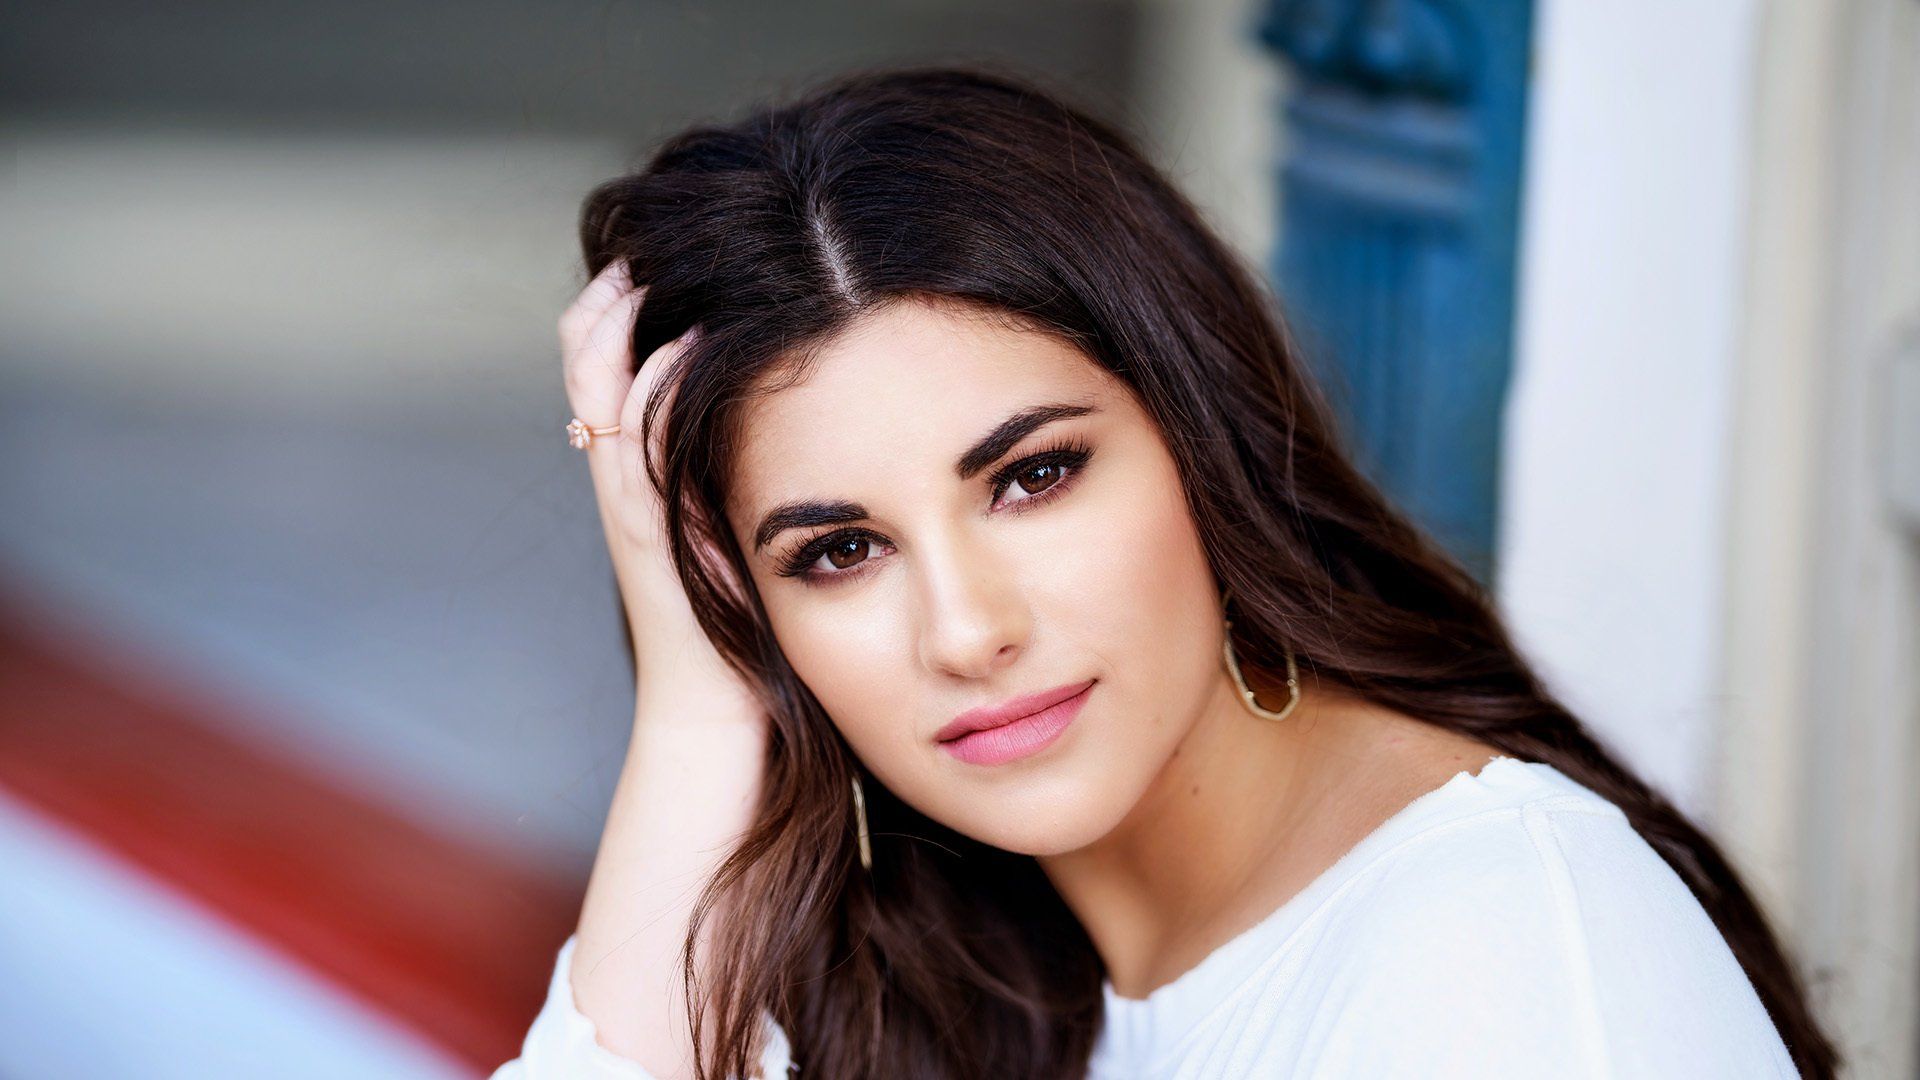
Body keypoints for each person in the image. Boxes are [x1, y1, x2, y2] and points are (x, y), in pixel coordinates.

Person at [493, 65, 1837, 1079]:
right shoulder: (931, 943)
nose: (966, 631)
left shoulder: (1501, 951)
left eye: (1034, 476)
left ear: (1202, 439)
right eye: (839, 552)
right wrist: (701, 711)